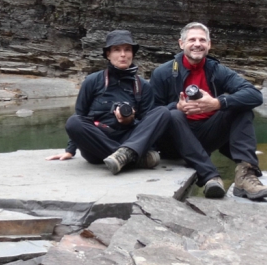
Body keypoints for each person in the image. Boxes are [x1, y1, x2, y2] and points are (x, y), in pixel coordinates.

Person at [149, 22, 267, 200]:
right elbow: (150, 112)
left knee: (241, 108)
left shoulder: (216, 70)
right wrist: (176, 106)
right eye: (192, 39)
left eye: (202, 40)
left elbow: (254, 95)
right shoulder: (163, 72)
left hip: (207, 134)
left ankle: (246, 175)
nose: (197, 44)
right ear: (181, 44)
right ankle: (210, 176)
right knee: (174, 115)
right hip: (174, 140)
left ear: (209, 45)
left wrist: (217, 103)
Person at [47, 30, 177, 174]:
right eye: (116, 50)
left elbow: (147, 126)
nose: (123, 54)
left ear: (132, 54)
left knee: (162, 112)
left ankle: (126, 155)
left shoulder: (143, 86)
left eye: (127, 49)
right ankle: (133, 158)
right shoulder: (92, 81)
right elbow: (80, 114)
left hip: (129, 140)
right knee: (73, 122)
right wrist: (70, 150)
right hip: (97, 143)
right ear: (108, 54)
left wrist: (131, 121)